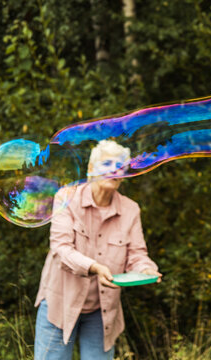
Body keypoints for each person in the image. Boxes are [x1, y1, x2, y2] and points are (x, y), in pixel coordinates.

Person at [34, 140, 162, 359]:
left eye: (120, 165)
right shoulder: (67, 198)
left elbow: (137, 255)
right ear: (91, 169)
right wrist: (94, 267)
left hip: (102, 312)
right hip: (59, 305)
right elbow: (61, 249)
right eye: (107, 163)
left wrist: (146, 269)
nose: (115, 169)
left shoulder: (131, 209)